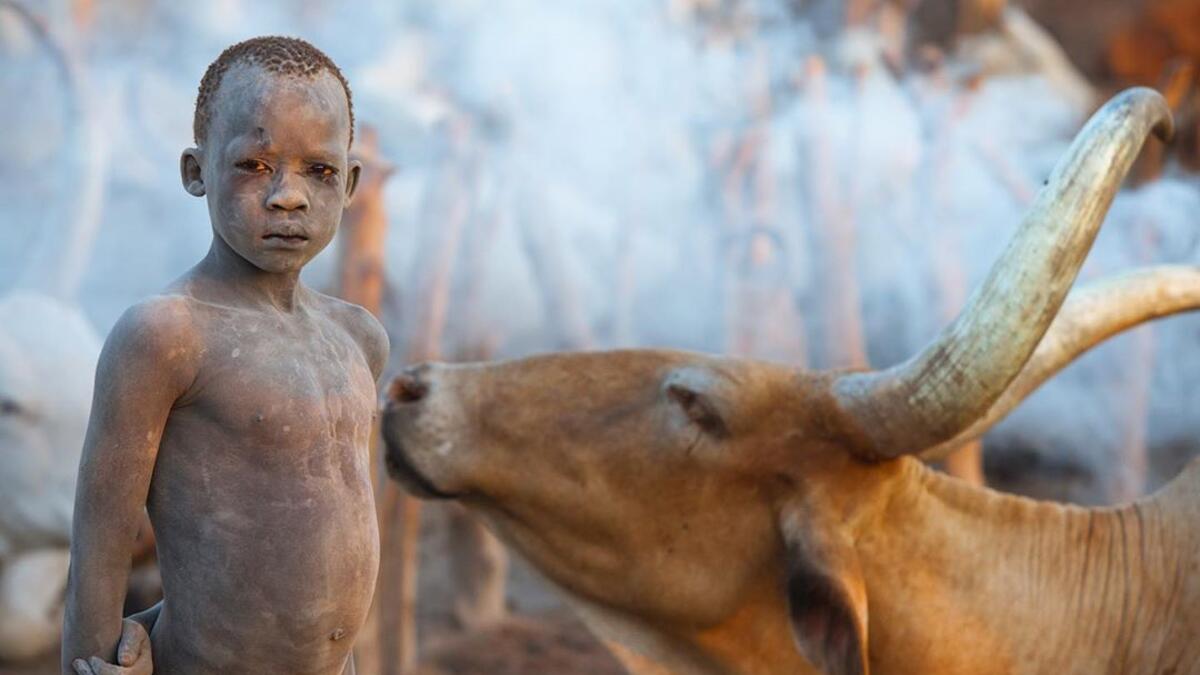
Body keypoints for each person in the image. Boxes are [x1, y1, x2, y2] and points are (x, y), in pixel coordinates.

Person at [62, 36, 388, 675]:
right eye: (255, 165)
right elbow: (99, 548)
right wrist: (92, 661)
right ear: (196, 171)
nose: (288, 197)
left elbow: (330, 553)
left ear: (349, 183)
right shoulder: (166, 335)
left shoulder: (358, 339)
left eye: (318, 171)